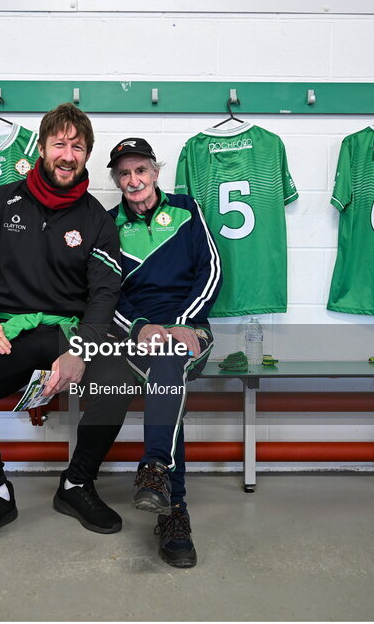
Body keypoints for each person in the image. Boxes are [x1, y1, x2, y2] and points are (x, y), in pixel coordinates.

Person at [0, 104, 130, 548]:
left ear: (87, 155)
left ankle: (77, 484)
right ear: (42, 148)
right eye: (60, 144)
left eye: (78, 147)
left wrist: (82, 350)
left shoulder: (98, 221)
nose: (68, 155)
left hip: (69, 333)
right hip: (13, 330)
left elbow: (105, 293)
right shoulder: (2, 199)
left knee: (116, 382)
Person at [106, 137, 221, 568]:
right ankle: (175, 513)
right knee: (167, 374)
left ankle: (155, 467)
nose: (133, 180)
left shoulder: (188, 209)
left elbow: (211, 271)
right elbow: (105, 293)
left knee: (170, 361)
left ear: (155, 172)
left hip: (191, 330)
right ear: (117, 180)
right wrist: (139, 327)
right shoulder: (106, 224)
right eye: (124, 173)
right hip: (135, 337)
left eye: (140, 170)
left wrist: (182, 324)